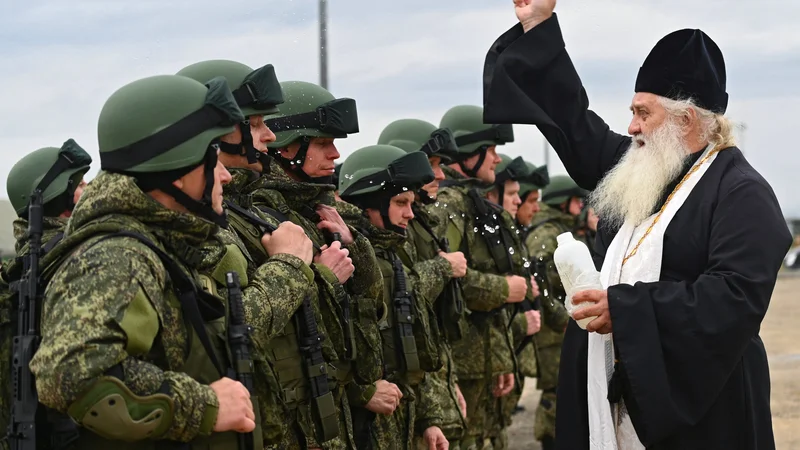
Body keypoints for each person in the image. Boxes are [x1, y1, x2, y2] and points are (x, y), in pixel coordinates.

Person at [483, 2, 792, 448]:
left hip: (705, 413)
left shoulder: (742, 192)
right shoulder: (648, 167)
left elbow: (733, 298)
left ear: (687, 118)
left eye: (643, 113)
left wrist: (625, 310)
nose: (630, 126)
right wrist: (538, 25)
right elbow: (574, 123)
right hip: (619, 401)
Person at [29, 74, 266, 447]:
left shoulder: (158, 244)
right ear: (174, 167)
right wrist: (203, 406)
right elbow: (70, 376)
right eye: (212, 158)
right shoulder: (117, 257)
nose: (225, 176)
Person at [176, 59, 323, 445]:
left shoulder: (244, 209)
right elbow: (227, 332)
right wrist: (292, 266)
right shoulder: (196, 225)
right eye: (255, 123)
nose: (269, 135)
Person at [262, 81, 394, 449]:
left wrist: (355, 247)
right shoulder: (263, 218)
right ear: (284, 146)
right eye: (322, 143)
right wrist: (323, 276)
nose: (335, 154)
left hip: (331, 412)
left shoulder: (313, 211)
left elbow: (371, 308)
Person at [428, 104, 528, 450]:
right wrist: (504, 289)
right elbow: (448, 279)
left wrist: (501, 359)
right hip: (461, 363)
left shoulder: (470, 202)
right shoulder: (448, 204)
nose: (497, 160)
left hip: (480, 362)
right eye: (491, 150)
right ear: (469, 152)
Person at [339, 144, 449, 450]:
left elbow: (411, 345)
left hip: (399, 416)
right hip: (361, 424)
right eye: (401, 202)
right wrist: (361, 393)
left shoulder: (394, 255)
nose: (410, 214)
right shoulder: (344, 260)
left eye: (411, 203)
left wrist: (429, 420)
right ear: (371, 202)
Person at [377, 118, 471, 448]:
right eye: (432, 164)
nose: (441, 175)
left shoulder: (420, 224)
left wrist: (448, 382)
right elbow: (402, 299)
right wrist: (442, 268)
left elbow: (432, 331)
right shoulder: (390, 229)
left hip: (432, 385)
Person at [0, 140, 92, 441]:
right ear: (59, 202)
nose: (89, 187)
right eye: (79, 185)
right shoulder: (78, 259)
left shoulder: (17, 271)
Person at [485, 154, 543, 449]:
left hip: (503, 361)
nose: (520, 203)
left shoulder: (505, 237)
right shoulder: (484, 239)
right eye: (512, 194)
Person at [524, 175, 586, 450]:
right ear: (563, 203)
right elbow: (540, 283)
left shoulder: (561, 229)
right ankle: (550, 439)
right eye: (575, 200)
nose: (580, 205)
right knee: (554, 390)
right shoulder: (546, 233)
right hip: (552, 328)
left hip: (562, 320)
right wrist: (561, 317)